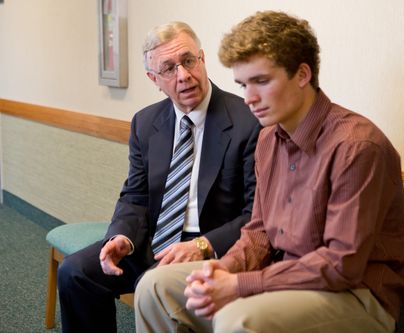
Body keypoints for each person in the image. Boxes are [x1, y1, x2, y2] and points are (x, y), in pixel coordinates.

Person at [134, 11, 404, 333]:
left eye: (262, 81)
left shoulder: (357, 147)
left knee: (236, 319)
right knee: (154, 287)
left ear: (302, 74)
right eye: (243, 84)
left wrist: (241, 285)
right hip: (284, 273)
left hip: (356, 294)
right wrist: (222, 270)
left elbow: (342, 266)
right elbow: (259, 231)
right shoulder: (269, 138)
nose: (249, 98)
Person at [57, 21, 261, 333]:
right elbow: (135, 196)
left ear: (203, 59)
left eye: (189, 61)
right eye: (168, 68)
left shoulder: (248, 121)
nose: (183, 75)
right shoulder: (146, 123)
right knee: (75, 273)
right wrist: (121, 237)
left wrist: (203, 245)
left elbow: (255, 212)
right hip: (152, 241)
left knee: (153, 285)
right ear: (154, 79)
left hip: (208, 247)